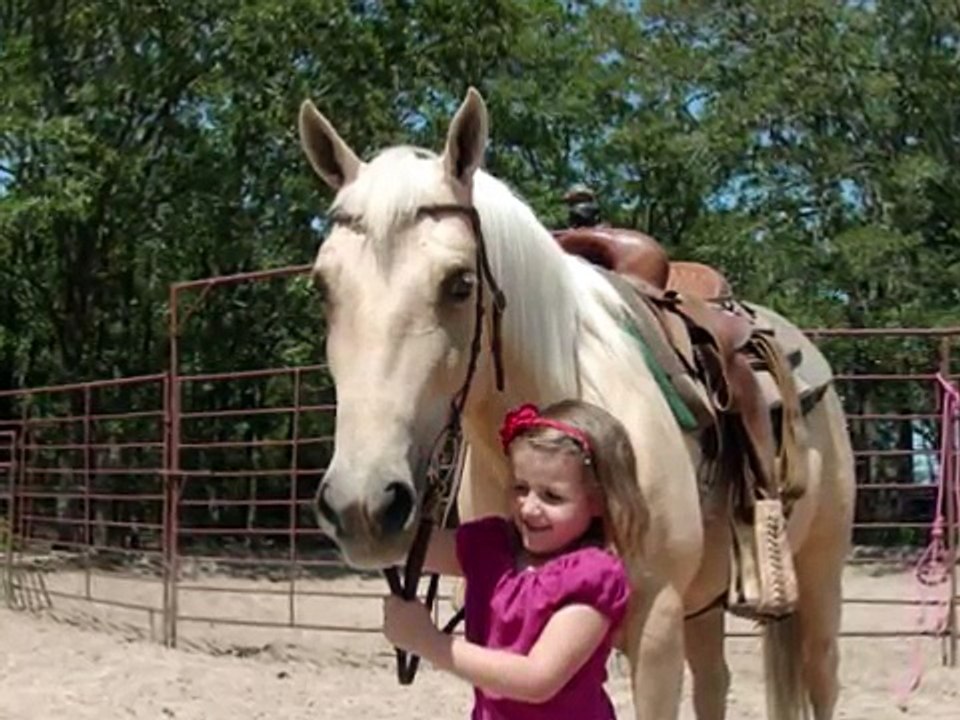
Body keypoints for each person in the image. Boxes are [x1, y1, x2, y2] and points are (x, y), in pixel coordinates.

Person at [382, 399, 648, 719]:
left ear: (598, 503)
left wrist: (428, 641)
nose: (528, 507)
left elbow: (536, 680)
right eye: (520, 488)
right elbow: (405, 547)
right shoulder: (493, 549)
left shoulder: (592, 576)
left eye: (553, 496)